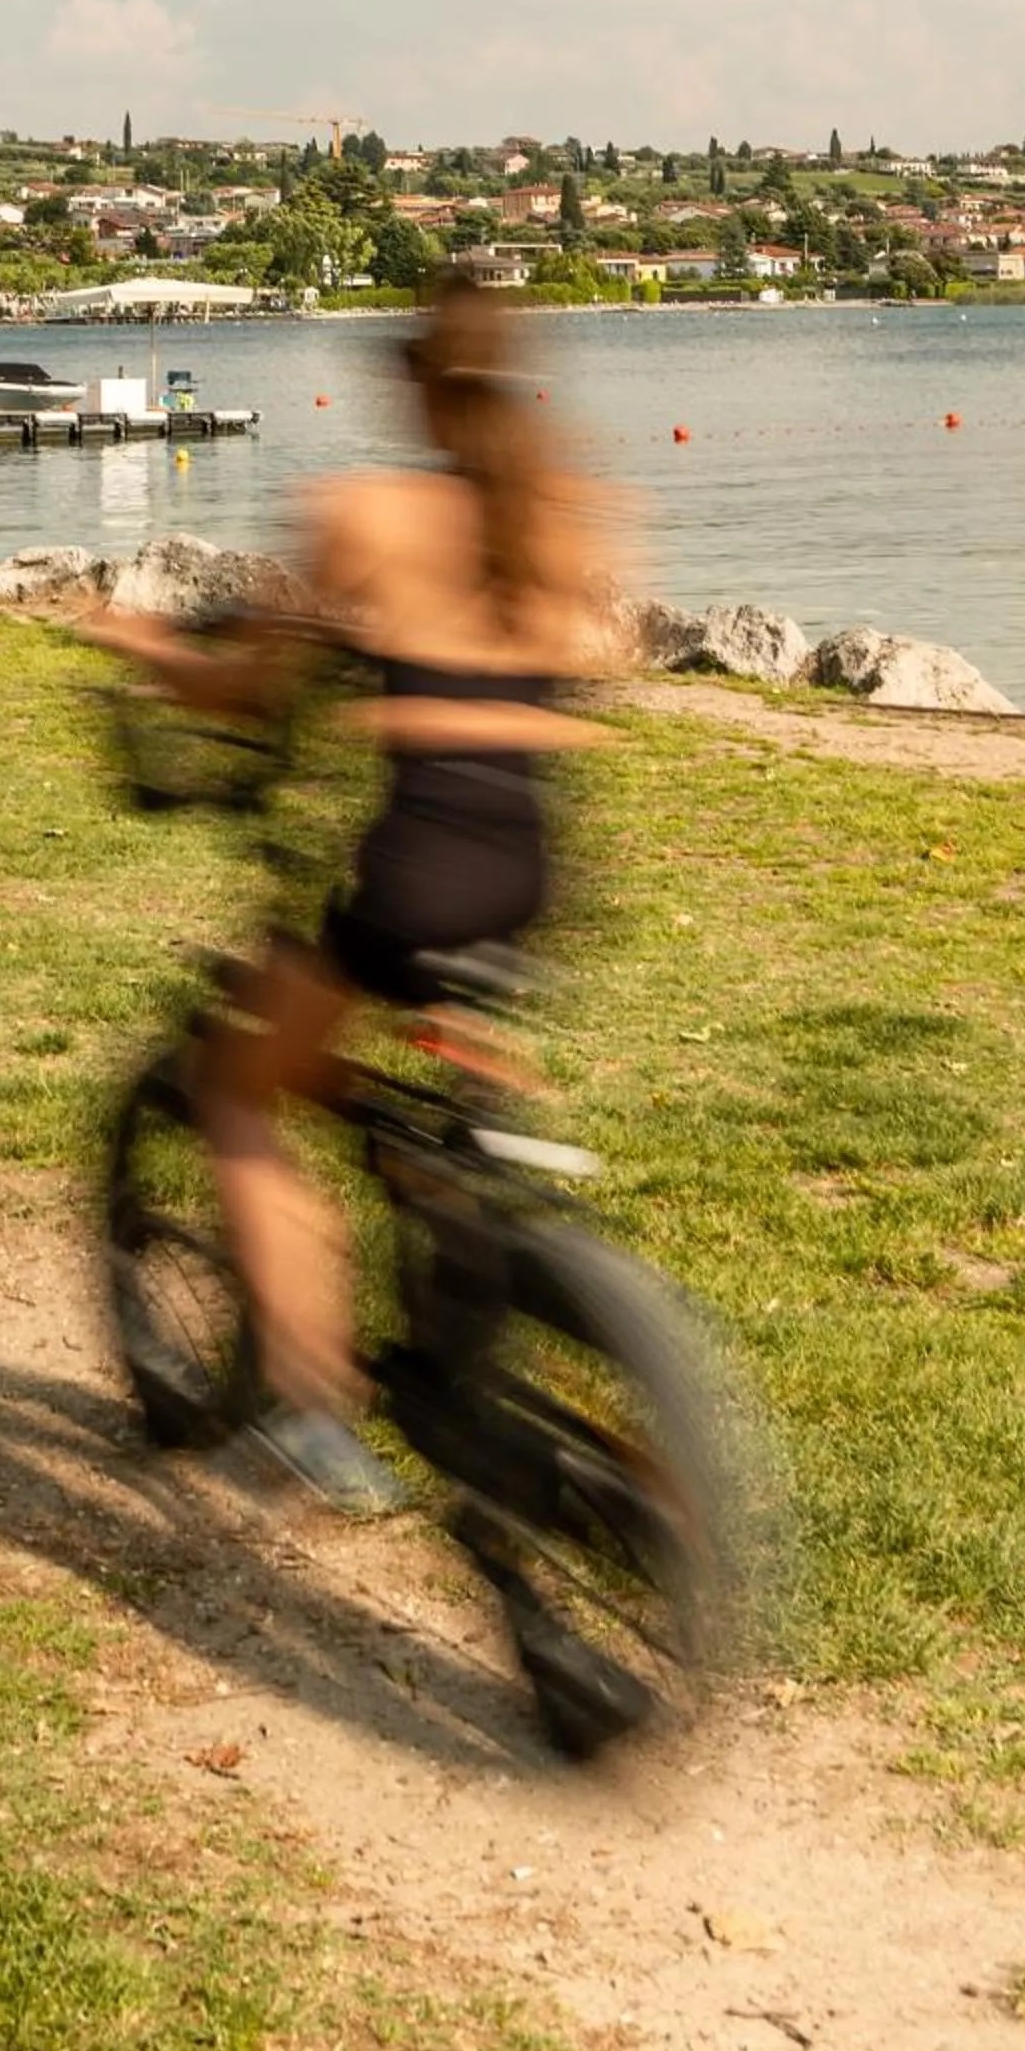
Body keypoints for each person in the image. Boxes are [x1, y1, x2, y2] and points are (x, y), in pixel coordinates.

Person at [97, 270, 619, 1513]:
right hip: (535, 869)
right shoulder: (573, 516)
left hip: (416, 871)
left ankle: (308, 1413)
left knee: (237, 1086)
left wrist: (152, 651)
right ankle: (476, 1282)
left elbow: (252, 693)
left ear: (419, 386)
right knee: (435, 1128)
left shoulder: (367, 510)